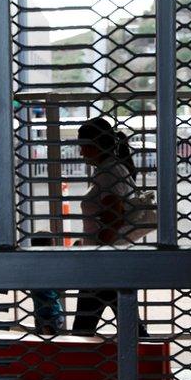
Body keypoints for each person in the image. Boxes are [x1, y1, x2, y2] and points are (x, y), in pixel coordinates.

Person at [70, 117, 147, 337]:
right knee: (131, 325)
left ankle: (78, 367)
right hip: (115, 261)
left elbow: (114, 217)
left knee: (83, 329)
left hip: (104, 263)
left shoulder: (108, 173)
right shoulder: (115, 168)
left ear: (96, 144)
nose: (82, 152)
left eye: (83, 146)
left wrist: (97, 251)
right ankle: (150, 363)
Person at [29, 233, 65, 335]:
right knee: (51, 342)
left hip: (43, 313)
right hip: (52, 313)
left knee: (45, 343)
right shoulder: (49, 267)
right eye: (52, 245)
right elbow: (60, 288)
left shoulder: (34, 267)